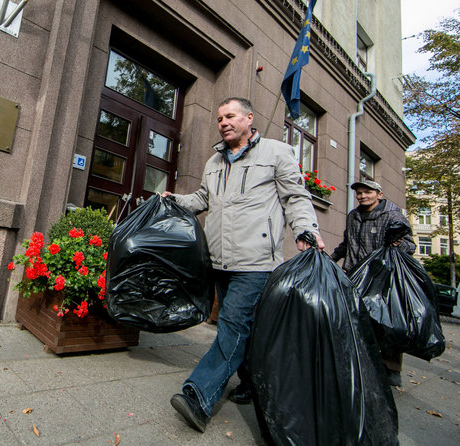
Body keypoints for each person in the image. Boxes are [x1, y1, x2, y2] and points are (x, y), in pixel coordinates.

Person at [162, 97, 324, 433]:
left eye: (230, 116)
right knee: (244, 329)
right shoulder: (214, 161)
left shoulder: (277, 153)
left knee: (232, 326)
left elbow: (295, 196)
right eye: (220, 117)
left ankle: (199, 396)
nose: (223, 122)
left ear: (249, 118)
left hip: (256, 262)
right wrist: (174, 200)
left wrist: (306, 229)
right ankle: (252, 383)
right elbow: (203, 199)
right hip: (220, 261)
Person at [330, 179, 416, 386]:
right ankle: (359, 361)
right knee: (355, 318)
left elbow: (409, 245)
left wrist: (398, 243)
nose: (362, 196)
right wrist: (331, 259)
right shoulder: (353, 215)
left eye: (367, 192)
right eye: (359, 193)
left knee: (387, 322)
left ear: (379, 194)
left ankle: (391, 368)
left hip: (382, 277)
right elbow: (347, 243)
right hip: (355, 275)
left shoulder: (393, 215)